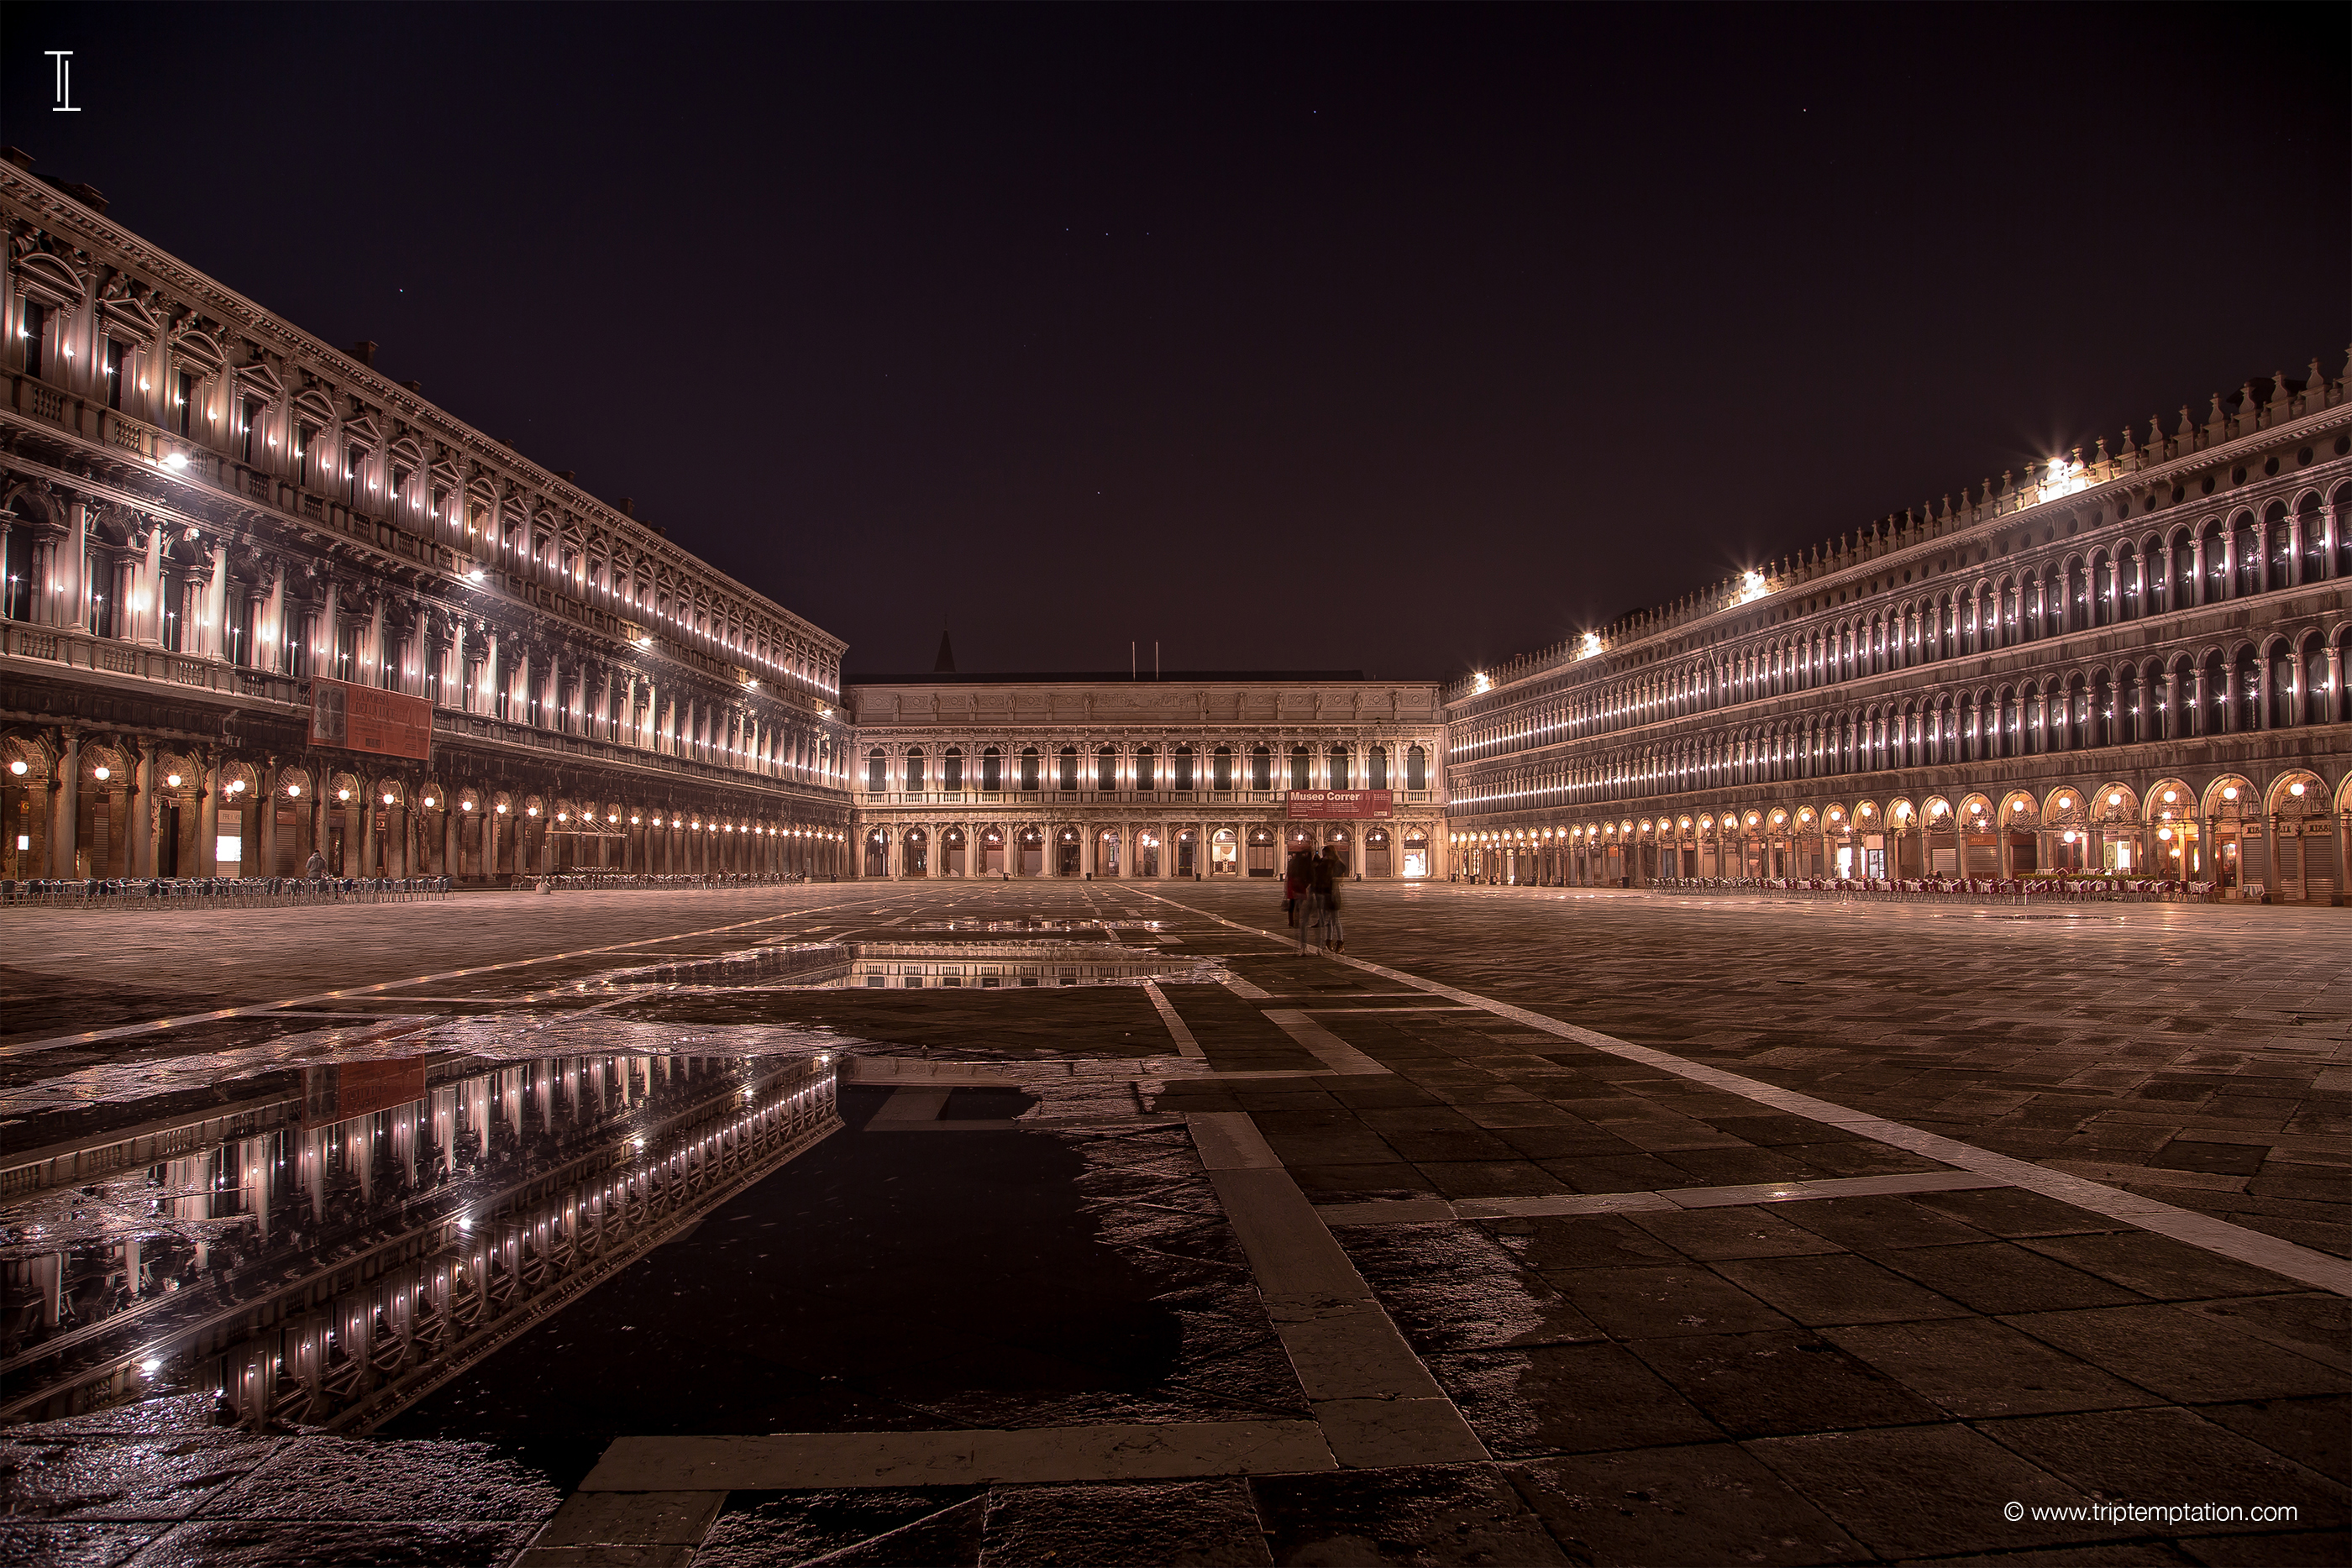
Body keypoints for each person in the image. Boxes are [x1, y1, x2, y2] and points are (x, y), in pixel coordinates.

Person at [1313, 844, 1346, 952]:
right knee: (1329, 922)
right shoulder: (1325, 864)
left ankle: (1340, 943)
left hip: (1334, 896)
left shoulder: (1335, 864)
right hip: (1327, 895)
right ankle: (1329, 942)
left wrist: (1328, 863)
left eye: (1325, 854)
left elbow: (1340, 868)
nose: (1324, 856)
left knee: (1336, 920)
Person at [1284, 847, 1311, 928]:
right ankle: (1297, 921)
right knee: (1298, 905)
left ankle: (1292, 922)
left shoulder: (1292, 864)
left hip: (1292, 885)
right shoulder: (1302, 865)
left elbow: (1288, 875)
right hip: (1299, 886)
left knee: (1292, 905)